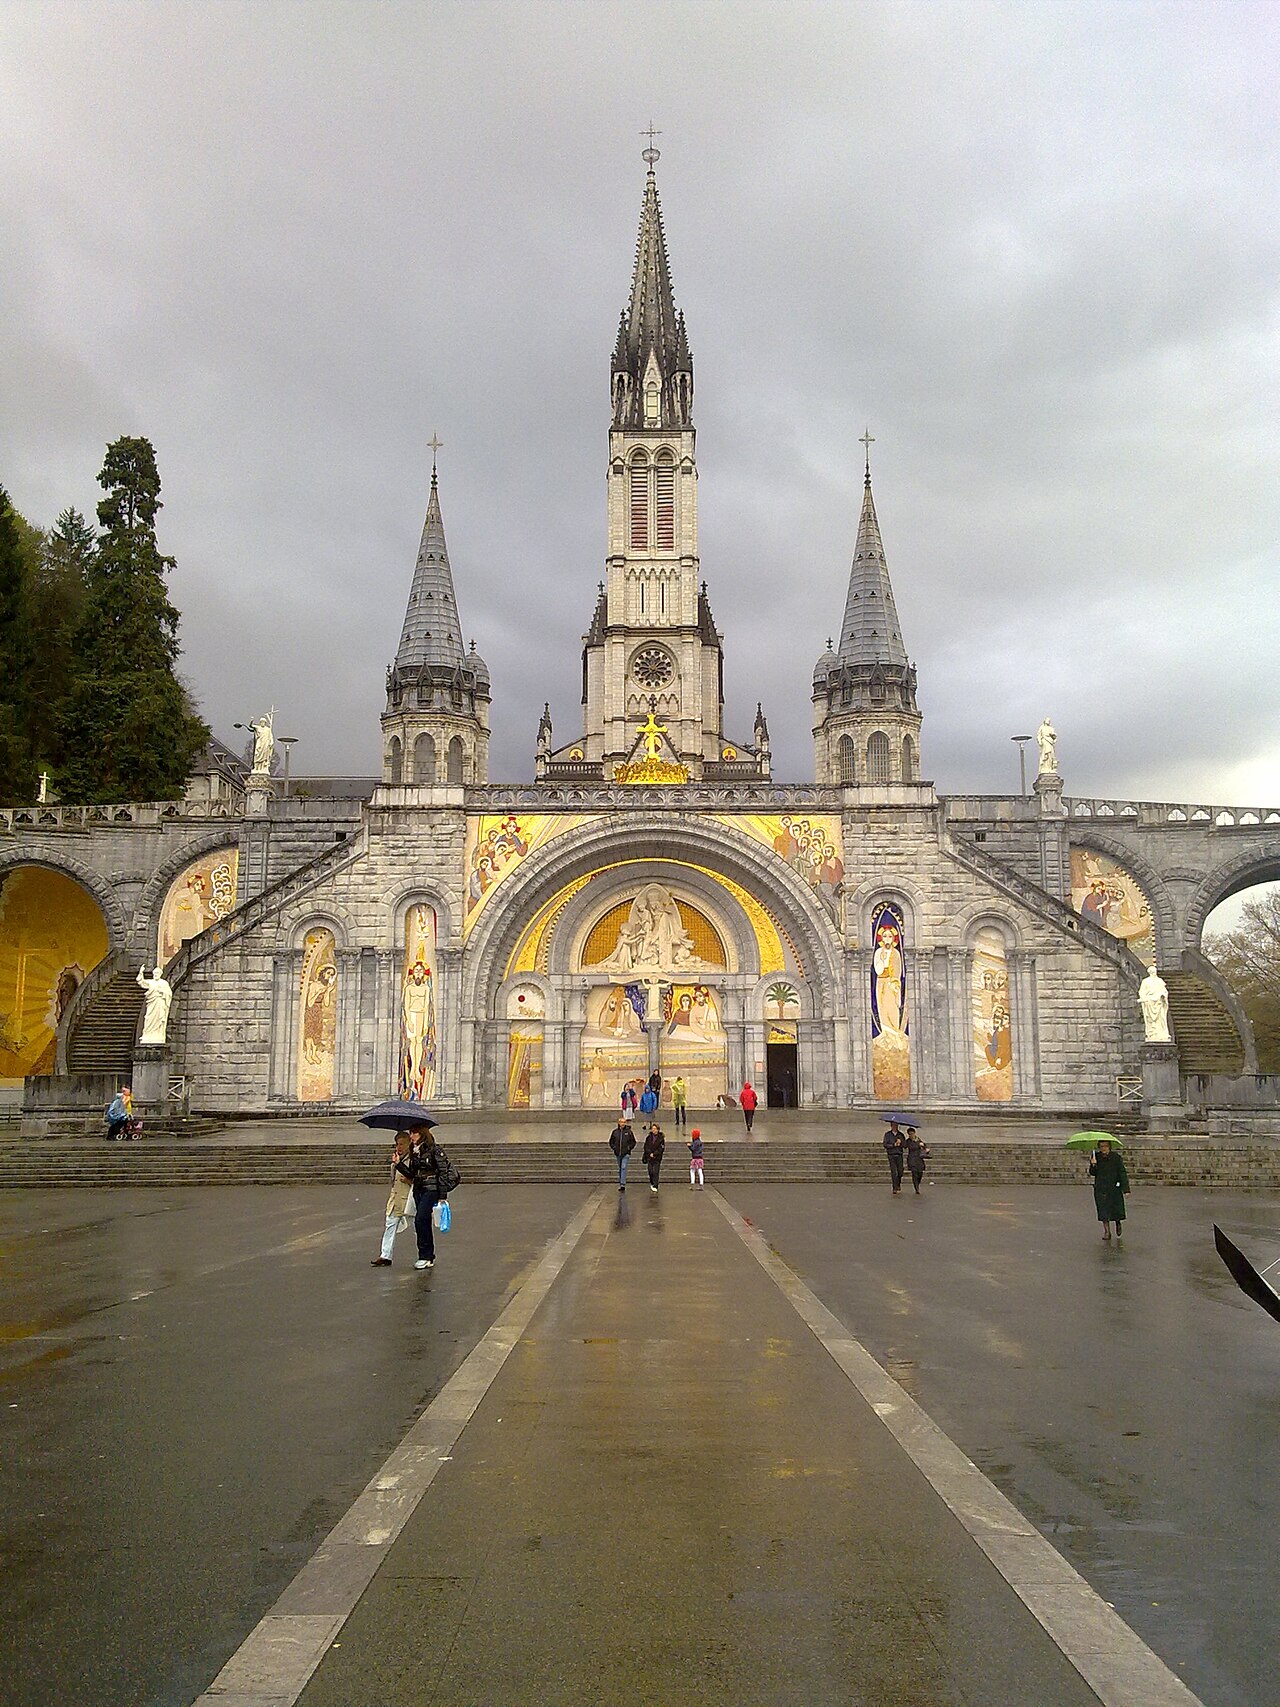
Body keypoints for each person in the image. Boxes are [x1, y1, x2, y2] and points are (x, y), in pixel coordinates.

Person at [404, 1127, 457, 1270]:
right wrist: (398, 1164)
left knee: (420, 1218)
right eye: (410, 1133)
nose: (411, 1136)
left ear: (422, 1134)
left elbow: (443, 1172)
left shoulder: (434, 1150)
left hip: (431, 1188)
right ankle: (426, 1255)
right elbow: (411, 1173)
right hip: (419, 1188)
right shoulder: (414, 1151)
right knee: (422, 1221)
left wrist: (442, 1195)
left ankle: (426, 1255)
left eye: (414, 1133)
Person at [371, 1131, 416, 1266]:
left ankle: (425, 1254)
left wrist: (410, 1180)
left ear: (409, 1144)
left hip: (409, 1200)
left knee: (417, 1228)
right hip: (395, 1199)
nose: (399, 1147)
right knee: (390, 1225)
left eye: (402, 1144)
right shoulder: (396, 1160)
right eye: (397, 1144)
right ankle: (385, 1255)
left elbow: (418, 1178)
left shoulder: (414, 1160)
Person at [1088, 1139, 1130, 1241]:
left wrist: (1126, 1189)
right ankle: (1107, 1231)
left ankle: (1118, 1222)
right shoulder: (1096, 1157)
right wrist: (1093, 1164)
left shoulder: (1116, 1158)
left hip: (1114, 1187)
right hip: (1101, 1188)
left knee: (1116, 1209)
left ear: (1109, 1147)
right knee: (1103, 1210)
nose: (1104, 1149)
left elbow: (1122, 1173)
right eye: (1102, 1146)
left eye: (1106, 1146)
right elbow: (1093, 1173)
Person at [609, 1118, 636, 1190]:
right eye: (621, 1122)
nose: (623, 1124)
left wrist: (628, 1148)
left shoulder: (629, 1132)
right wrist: (614, 1148)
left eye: (624, 1122)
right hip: (618, 1153)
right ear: (619, 1123)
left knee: (623, 1167)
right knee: (620, 1167)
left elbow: (633, 1142)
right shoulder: (615, 1132)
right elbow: (611, 1141)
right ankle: (621, 1181)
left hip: (626, 1153)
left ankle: (622, 1184)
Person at [904, 1126, 930, 1194]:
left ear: (914, 1133)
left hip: (919, 1159)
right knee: (914, 1173)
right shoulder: (908, 1141)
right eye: (910, 1134)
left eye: (912, 1133)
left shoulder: (919, 1140)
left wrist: (926, 1149)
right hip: (912, 1159)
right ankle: (916, 1188)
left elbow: (925, 1146)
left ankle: (917, 1183)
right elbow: (909, 1147)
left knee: (920, 1173)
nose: (911, 1135)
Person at [883, 1120, 905, 1194]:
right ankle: (894, 1187)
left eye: (896, 1125)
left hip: (899, 1154)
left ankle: (898, 1183)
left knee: (900, 1171)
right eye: (894, 1125)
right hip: (891, 1154)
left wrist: (901, 1142)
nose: (895, 1126)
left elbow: (905, 1145)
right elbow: (885, 1144)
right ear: (891, 1126)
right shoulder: (887, 1134)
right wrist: (893, 1145)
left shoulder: (901, 1135)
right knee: (894, 1172)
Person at [643, 1121, 665, 1192]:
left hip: (657, 1158)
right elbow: (646, 1146)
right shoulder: (648, 1137)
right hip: (649, 1157)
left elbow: (661, 1148)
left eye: (655, 1129)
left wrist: (655, 1154)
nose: (654, 1130)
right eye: (653, 1129)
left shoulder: (661, 1138)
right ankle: (652, 1182)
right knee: (650, 1171)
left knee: (655, 1171)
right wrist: (649, 1153)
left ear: (658, 1130)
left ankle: (655, 1184)